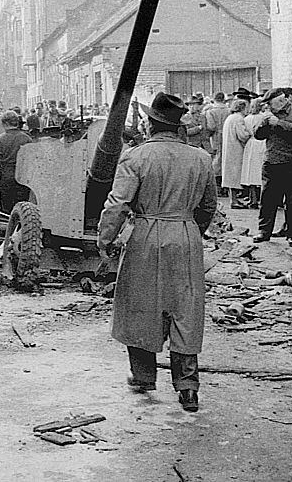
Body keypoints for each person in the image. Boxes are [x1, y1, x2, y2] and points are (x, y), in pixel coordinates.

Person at [97, 92, 217, 413]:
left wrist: (105, 239)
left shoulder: (135, 157)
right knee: (185, 308)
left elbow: (117, 204)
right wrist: (191, 231)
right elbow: (208, 206)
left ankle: (143, 376)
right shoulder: (201, 158)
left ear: (150, 124)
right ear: (178, 125)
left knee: (141, 304)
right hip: (186, 233)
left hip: (146, 235)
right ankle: (188, 387)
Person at [253, 90, 292, 246]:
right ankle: (264, 232)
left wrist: (277, 123)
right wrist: (263, 123)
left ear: (280, 101)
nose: (269, 107)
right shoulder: (269, 114)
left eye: (270, 104)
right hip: (271, 161)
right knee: (268, 199)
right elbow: (258, 136)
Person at [0, 111, 33, 213]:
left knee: (6, 211)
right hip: (23, 178)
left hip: (7, 177)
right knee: (23, 210)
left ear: (4, 124)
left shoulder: (1, 139)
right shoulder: (27, 138)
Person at [221, 99, 252, 208]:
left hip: (229, 148)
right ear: (242, 108)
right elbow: (242, 135)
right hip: (236, 149)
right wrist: (250, 134)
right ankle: (234, 201)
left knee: (230, 176)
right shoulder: (238, 119)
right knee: (234, 176)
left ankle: (233, 199)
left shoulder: (230, 118)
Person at [240, 98, 267, 208]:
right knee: (261, 171)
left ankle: (253, 199)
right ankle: (262, 199)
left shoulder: (246, 119)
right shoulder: (263, 117)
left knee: (250, 172)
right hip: (261, 143)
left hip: (251, 144)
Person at [203, 92, 230, 193]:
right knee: (226, 158)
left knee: (216, 159)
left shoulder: (211, 111)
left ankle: (218, 187)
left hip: (216, 136)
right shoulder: (229, 110)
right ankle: (226, 186)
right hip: (228, 135)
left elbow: (211, 126)